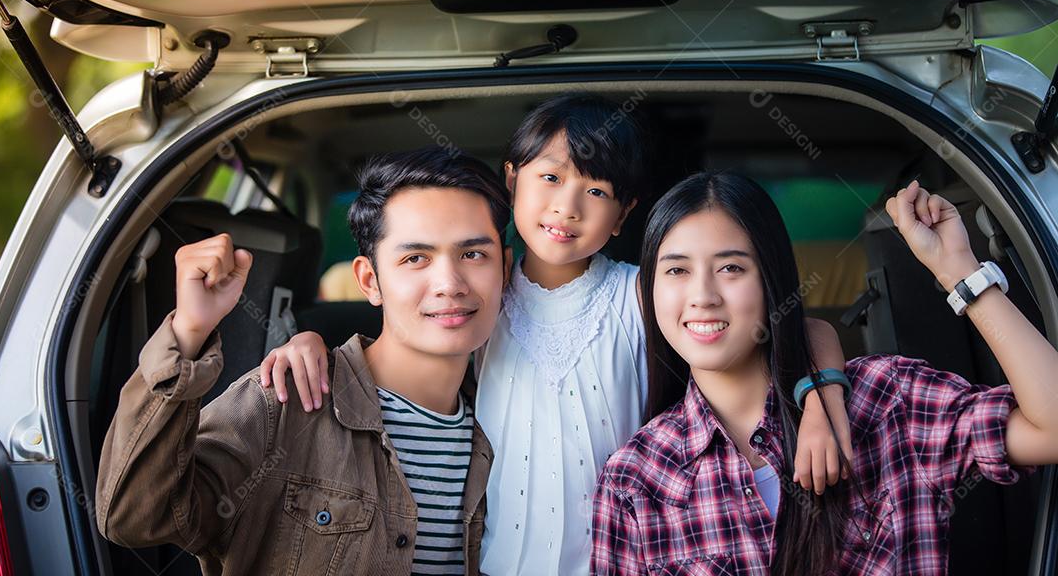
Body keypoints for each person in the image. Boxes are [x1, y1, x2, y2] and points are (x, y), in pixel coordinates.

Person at [265, 95, 850, 575]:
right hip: (490, 564)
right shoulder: (477, 294)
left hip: (620, 560)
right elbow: (388, 347)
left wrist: (820, 401)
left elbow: (801, 326)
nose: (566, 207)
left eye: (595, 192)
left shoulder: (643, 292)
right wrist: (308, 341)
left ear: (622, 216)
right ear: (512, 180)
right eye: (550, 178)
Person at [592, 175, 1056, 575]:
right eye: (676, 270)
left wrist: (959, 269)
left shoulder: (886, 401)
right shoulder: (636, 479)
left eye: (731, 267)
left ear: (773, 280)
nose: (703, 296)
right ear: (649, 291)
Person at [96, 147, 511, 576]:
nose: (449, 284)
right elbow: (133, 518)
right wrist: (187, 333)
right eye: (415, 259)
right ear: (370, 281)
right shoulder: (285, 398)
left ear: (505, 269)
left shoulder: (513, 422)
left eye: (473, 254)